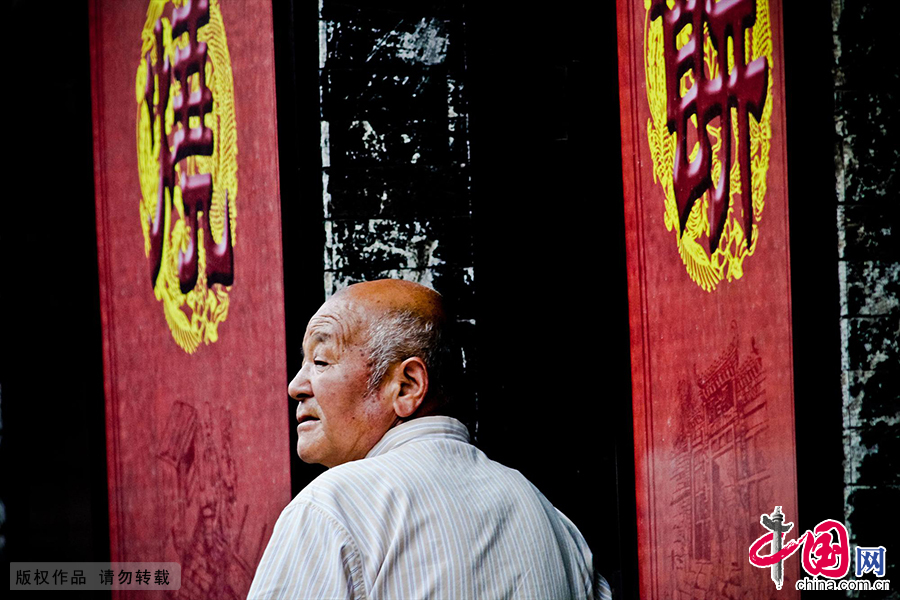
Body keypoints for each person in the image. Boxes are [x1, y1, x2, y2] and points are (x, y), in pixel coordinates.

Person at [248, 279, 601, 599]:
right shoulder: (551, 521)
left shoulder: (332, 509)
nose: (295, 386)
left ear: (407, 386)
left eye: (321, 361)